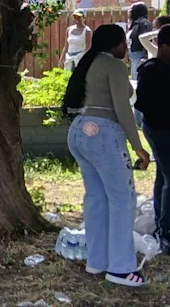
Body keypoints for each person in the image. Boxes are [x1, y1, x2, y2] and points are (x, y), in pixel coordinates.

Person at [63, 24, 149, 287]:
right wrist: (138, 146)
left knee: (97, 198)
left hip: (80, 130)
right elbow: (123, 107)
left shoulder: (87, 62)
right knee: (123, 200)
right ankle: (122, 269)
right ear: (114, 45)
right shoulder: (113, 66)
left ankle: (97, 260)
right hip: (104, 134)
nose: (126, 48)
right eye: (123, 43)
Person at [134, 25, 170, 252]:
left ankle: (160, 221)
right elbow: (141, 103)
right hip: (158, 128)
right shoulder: (151, 69)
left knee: (164, 175)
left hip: (162, 127)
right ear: (164, 46)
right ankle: (166, 231)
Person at [127, 2, 152, 80]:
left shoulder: (144, 23)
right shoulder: (136, 23)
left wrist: (145, 57)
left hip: (140, 57)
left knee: (137, 81)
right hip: (135, 58)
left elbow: (147, 39)